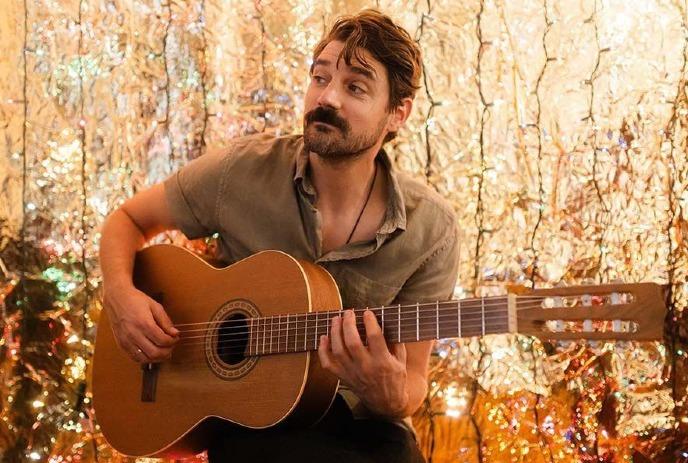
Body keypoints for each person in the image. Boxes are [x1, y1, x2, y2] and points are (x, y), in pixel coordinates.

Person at [99, 8, 459, 463]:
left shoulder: (432, 230)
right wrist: (120, 295)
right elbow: (127, 220)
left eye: (355, 87)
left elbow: (411, 384)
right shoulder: (241, 171)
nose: (327, 98)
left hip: (361, 426)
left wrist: (389, 393)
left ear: (397, 114)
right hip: (247, 414)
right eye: (320, 78)